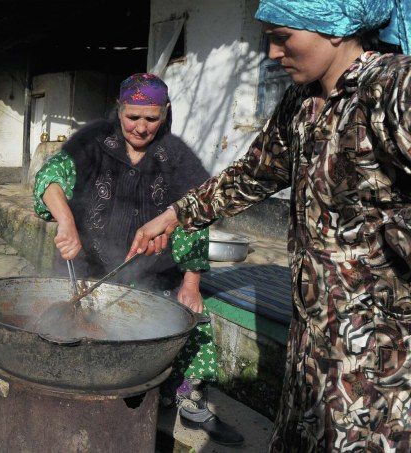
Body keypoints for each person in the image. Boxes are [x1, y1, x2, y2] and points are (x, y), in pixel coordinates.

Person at [127, 1, 411, 451]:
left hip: (380, 350)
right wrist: (175, 214)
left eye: (283, 37)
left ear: (333, 29)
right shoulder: (303, 101)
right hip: (313, 338)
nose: (273, 54)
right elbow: (254, 173)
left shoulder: (393, 89)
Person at [33, 73, 244, 446]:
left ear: (166, 114)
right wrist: (65, 221)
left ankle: (187, 400)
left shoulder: (177, 158)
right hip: (89, 270)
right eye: (133, 117)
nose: (141, 128)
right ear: (119, 110)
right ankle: (79, 393)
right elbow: (50, 176)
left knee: (189, 324)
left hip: (154, 275)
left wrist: (191, 283)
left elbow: (196, 217)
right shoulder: (92, 142)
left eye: (152, 118)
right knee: (80, 335)